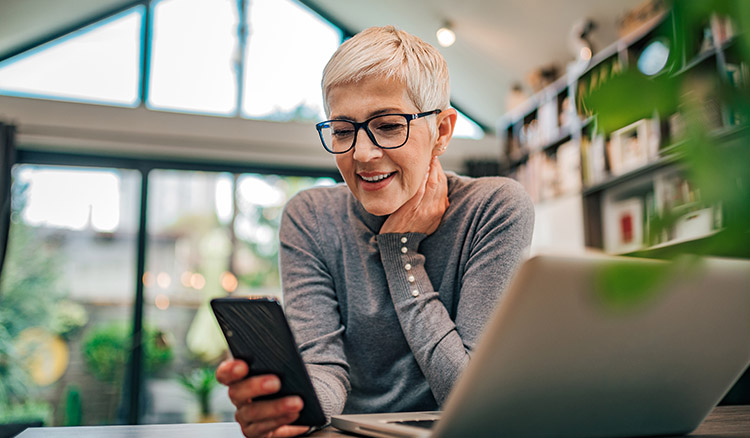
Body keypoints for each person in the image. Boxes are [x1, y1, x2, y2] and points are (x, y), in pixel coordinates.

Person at [216, 25, 534, 438]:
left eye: (387, 125)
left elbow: (468, 395)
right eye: (343, 131)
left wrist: (399, 251)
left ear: (441, 131)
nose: (362, 154)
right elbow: (325, 370)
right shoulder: (311, 217)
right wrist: (291, 405)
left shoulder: (494, 209)